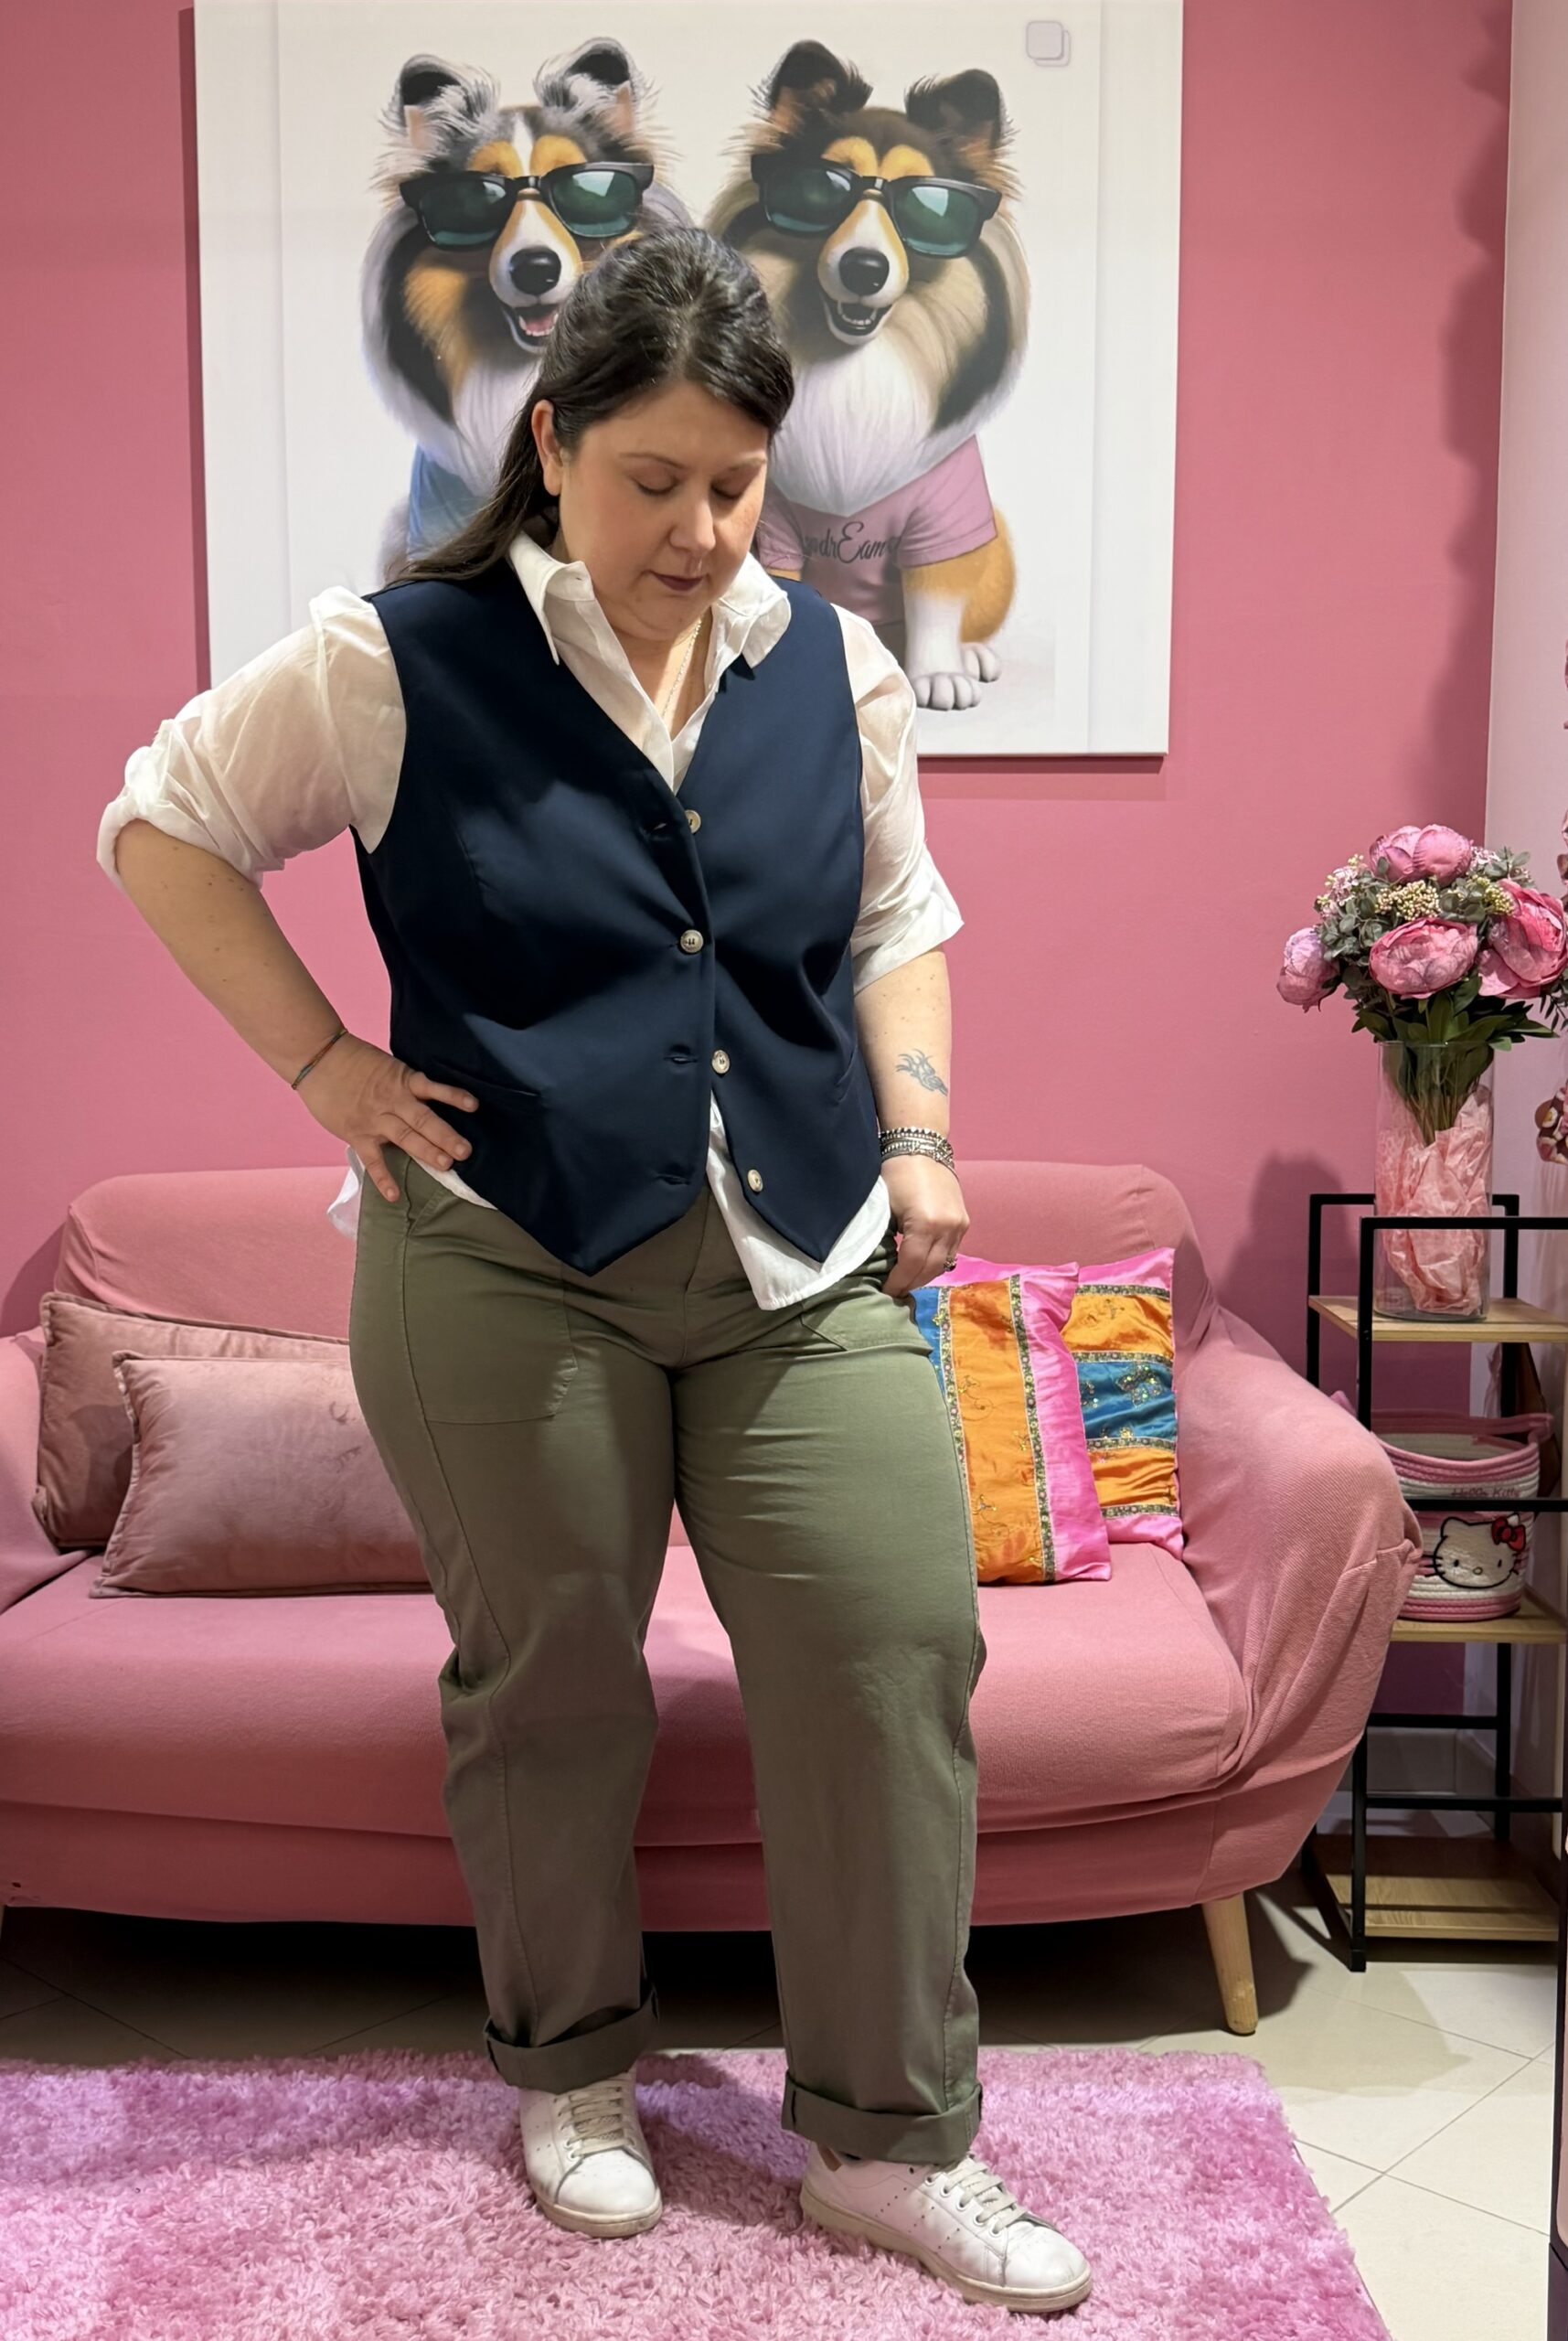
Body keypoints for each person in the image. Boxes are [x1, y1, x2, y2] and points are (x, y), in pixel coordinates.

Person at [98, 227, 1093, 2318]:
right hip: (506, 1254)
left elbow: (896, 917)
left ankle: (892, 2140)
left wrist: (919, 1134)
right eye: (654, 479)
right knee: (547, 1680)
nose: (700, 529)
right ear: (552, 444)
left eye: (735, 482)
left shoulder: (833, 663)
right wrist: (325, 1063)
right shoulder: (392, 656)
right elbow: (163, 824)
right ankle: (571, 2074)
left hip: (802, 1250)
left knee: (893, 1654)